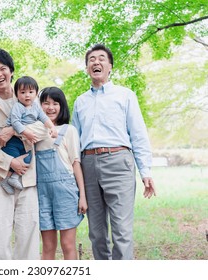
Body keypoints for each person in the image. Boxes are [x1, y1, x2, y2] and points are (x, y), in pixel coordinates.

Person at [72, 43, 156, 260]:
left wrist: (145, 172)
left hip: (119, 162)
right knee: (97, 232)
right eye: (91, 59)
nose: (96, 62)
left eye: (101, 58)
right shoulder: (80, 101)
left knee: (121, 231)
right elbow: (73, 140)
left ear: (110, 67)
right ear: (87, 68)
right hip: (88, 163)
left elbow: (138, 134)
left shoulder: (125, 95)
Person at [0, 47, 48, 259]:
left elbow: (44, 127)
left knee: (28, 235)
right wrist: (10, 163)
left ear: (11, 71)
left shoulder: (29, 94)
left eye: (3, 68)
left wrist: (14, 129)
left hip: (28, 177)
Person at [34, 86, 87, 260]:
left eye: (55, 103)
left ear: (62, 106)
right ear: (39, 106)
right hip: (42, 193)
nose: (50, 108)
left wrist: (82, 196)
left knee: (68, 244)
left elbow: (75, 163)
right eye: (46, 103)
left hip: (66, 191)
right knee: (48, 246)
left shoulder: (69, 130)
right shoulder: (35, 132)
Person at [1, 76, 57, 194]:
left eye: (31, 92)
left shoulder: (36, 106)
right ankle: (6, 178)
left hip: (25, 140)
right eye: (23, 92)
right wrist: (28, 133)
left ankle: (14, 177)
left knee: (28, 158)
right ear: (16, 94)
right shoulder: (18, 106)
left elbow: (43, 117)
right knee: (14, 157)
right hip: (14, 139)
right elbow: (15, 122)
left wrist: (51, 127)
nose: (27, 95)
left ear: (36, 93)